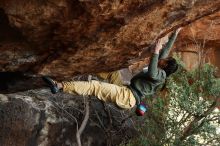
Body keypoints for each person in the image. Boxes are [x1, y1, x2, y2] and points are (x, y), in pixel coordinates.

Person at [43, 28, 181, 116]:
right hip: (126, 90)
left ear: (166, 66)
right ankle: (86, 69)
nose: (162, 59)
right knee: (112, 73)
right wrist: (175, 34)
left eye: (165, 60)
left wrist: (156, 52)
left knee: (94, 86)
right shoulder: (161, 68)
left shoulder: (161, 76)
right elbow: (165, 52)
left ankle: (59, 86)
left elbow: (152, 72)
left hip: (127, 97)